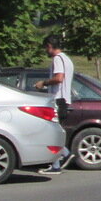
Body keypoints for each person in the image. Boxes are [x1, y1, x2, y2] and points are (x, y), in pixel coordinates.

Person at [34, 34, 73, 174]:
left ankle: (62, 159)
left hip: (58, 100)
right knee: (55, 132)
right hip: (64, 99)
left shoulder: (58, 59)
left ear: (50, 46)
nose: (46, 51)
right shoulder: (67, 59)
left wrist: (43, 83)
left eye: (46, 47)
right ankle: (65, 155)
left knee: (52, 132)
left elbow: (59, 78)